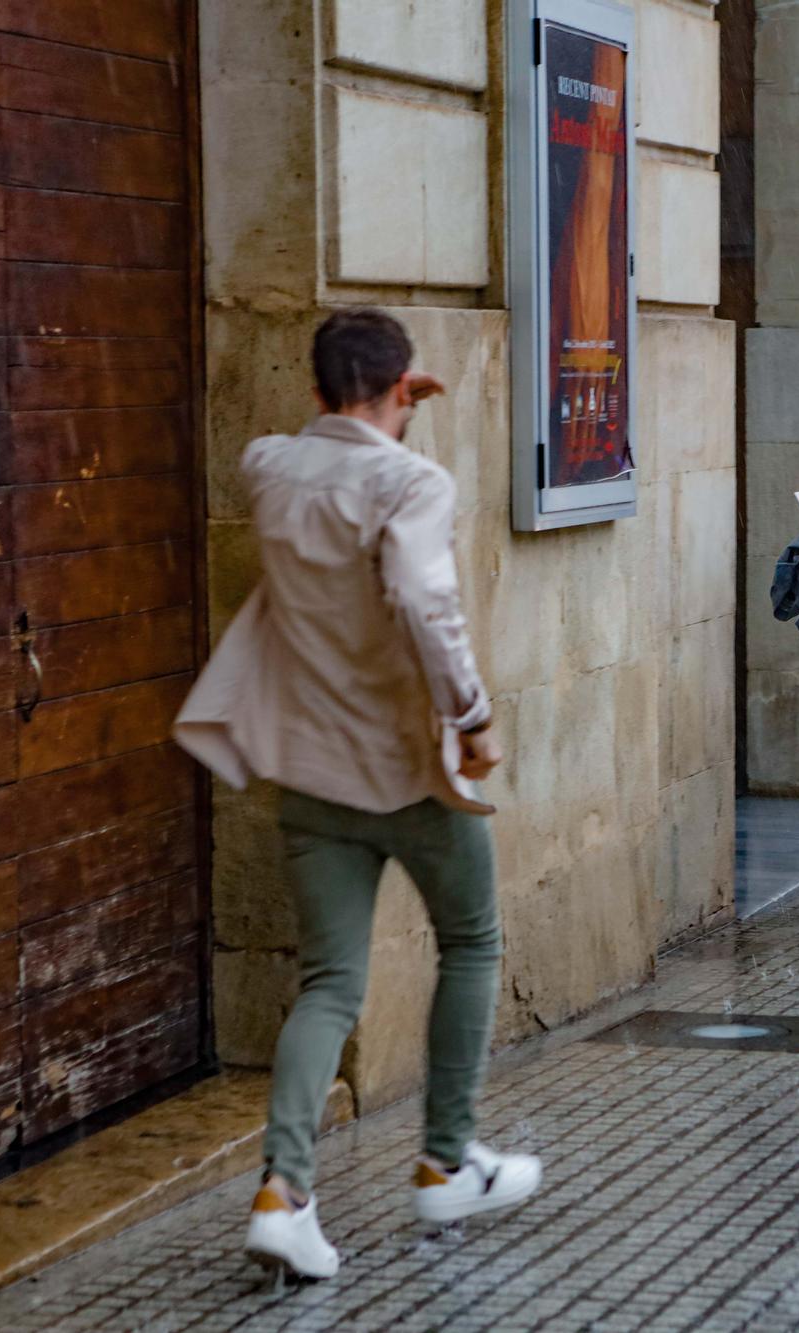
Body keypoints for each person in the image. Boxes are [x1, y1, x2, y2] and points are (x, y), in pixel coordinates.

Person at [173, 309, 541, 1282]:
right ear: (398, 391)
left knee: (328, 985)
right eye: (403, 392)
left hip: (307, 768)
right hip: (405, 767)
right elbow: (425, 601)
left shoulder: (268, 466)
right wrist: (470, 714)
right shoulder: (409, 481)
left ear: (313, 389)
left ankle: (282, 1193)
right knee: (471, 940)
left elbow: (320, 445)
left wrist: (377, 401)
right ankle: (445, 1158)